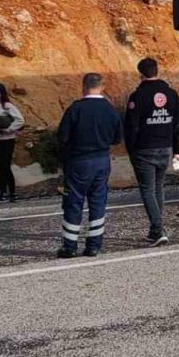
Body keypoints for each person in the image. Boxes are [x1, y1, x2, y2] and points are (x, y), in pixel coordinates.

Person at [56, 72, 122, 258]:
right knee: (98, 202)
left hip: (79, 161)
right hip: (101, 160)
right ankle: (94, 246)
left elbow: (62, 136)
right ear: (102, 87)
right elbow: (117, 138)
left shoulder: (75, 109)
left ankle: (70, 246)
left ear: (83, 87)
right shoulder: (110, 109)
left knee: (73, 202)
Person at [123, 57, 179, 246]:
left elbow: (132, 126)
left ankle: (158, 230)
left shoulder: (138, 96)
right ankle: (154, 229)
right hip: (165, 148)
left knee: (148, 190)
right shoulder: (172, 94)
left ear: (140, 74)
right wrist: (177, 150)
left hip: (144, 149)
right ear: (157, 71)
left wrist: (131, 148)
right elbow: (177, 126)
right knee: (158, 188)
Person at [0, 82, 25, 203]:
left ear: (1, 93)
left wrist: (8, 129)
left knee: (5, 166)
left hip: (6, 140)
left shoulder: (7, 106)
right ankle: (5, 193)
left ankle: (10, 193)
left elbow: (20, 120)